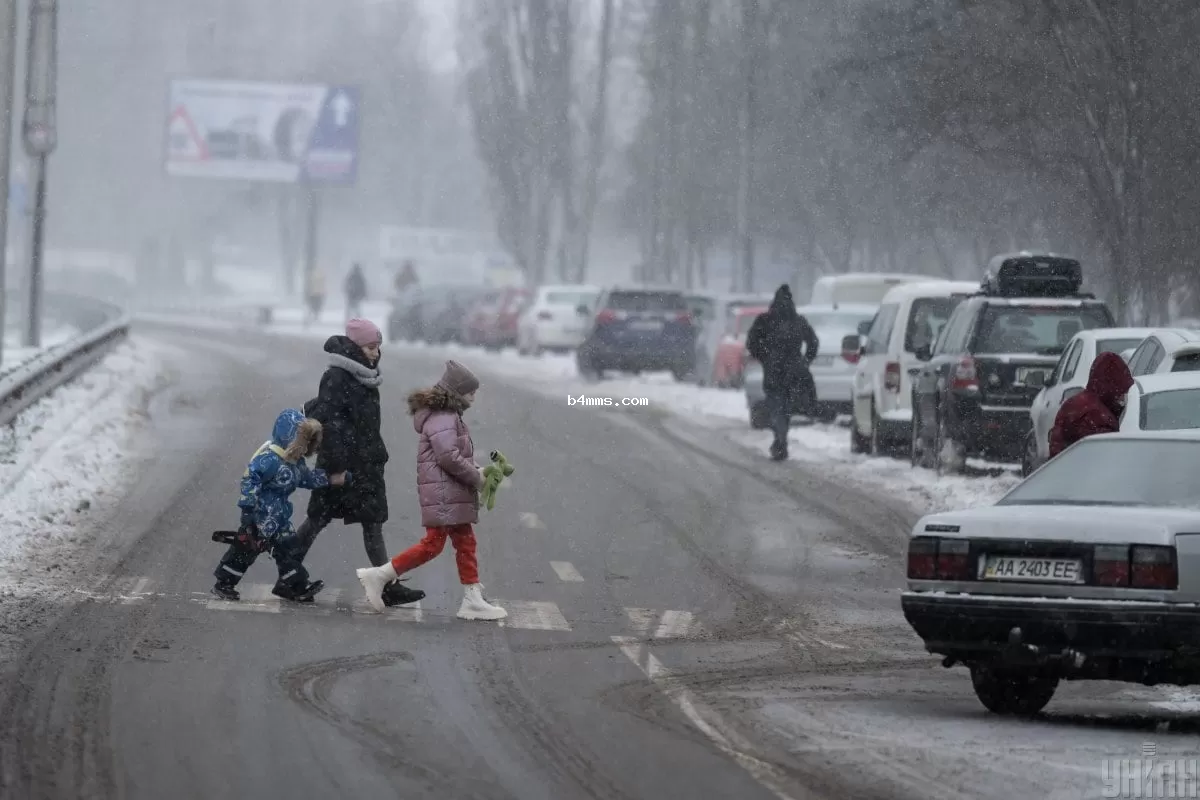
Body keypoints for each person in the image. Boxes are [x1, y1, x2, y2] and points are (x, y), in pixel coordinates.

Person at [355, 360, 507, 621]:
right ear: (458, 392)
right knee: (433, 545)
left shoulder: (446, 415)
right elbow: (448, 457)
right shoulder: (444, 417)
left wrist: (477, 471)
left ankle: (472, 598)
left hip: (447, 491)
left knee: (465, 542)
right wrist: (477, 479)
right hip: (444, 493)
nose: (474, 396)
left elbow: (453, 455)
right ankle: (379, 576)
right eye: (471, 391)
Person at [295, 319, 425, 607]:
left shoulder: (365, 374)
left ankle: (387, 585)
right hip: (343, 464)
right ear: (355, 347)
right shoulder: (338, 376)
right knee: (318, 519)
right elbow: (331, 423)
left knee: (372, 522)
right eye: (370, 347)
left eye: (378, 346)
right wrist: (337, 467)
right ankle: (289, 572)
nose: (375, 352)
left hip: (365, 462)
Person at [211, 409, 347, 602]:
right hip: (260, 516)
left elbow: (306, 478)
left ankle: (296, 586)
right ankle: (224, 583)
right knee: (244, 552)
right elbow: (250, 480)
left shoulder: (294, 462)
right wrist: (248, 509)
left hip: (279, 518)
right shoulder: (269, 459)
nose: (309, 446)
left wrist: (331, 479)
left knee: (288, 550)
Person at [745, 284, 820, 461]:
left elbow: (751, 343)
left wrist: (764, 356)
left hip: (773, 370)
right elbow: (813, 342)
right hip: (794, 370)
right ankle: (781, 438)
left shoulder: (765, 320)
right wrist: (805, 360)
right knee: (785, 407)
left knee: (776, 405)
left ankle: (780, 439)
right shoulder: (798, 321)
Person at [1048, 351, 1133, 458]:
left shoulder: (1074, 403)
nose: (1123, 397)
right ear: (1112, 387)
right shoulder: (1097, 416)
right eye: (1122, 391)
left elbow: (1057, 444)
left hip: (1058, 469)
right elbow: (1103, 459)